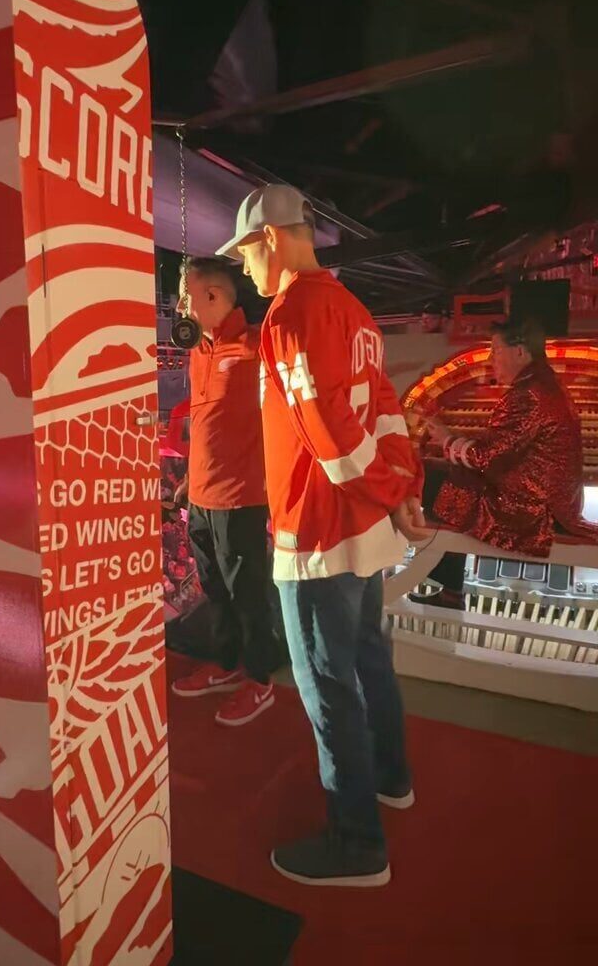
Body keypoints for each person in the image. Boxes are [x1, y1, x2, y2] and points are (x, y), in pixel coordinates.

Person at [216, 184, 427, 887]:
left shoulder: (291, 313)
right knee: (369, 662)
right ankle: (392, 779)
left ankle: (357, 844)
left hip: (316, 533)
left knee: (328, 688)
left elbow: (330, 438)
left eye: (247, 253)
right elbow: (387, 412)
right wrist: (400, 491)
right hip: (364, 529)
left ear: (271, 238)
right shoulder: (353, 309)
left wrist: (389, 492)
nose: (245, 268)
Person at [414, 318, 598, 609]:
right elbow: (500, 451)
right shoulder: (542, 384)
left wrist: (448, 440)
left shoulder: (529, 394)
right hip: (550, 500)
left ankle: (416, 568)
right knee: (445, 476)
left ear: (520, 352)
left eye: (496, 350)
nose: (490, 359)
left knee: (424, 478)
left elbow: (486, 458)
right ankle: (449, 589)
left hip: (534, 510)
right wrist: (452, 445)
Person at [171, 256, 276, 727]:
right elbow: (204, 421)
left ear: (213, 296)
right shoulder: (198, 350)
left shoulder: (258, 346)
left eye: (185, 296)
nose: (180, 307)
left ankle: (261, 680)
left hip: (242, 495)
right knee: (214, 589)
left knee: (248, 595)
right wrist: (190, 480)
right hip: (201, 495)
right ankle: (227, 664)